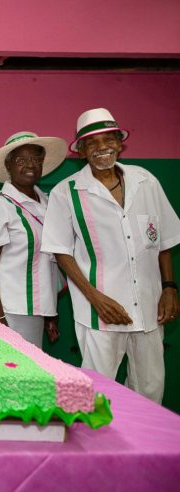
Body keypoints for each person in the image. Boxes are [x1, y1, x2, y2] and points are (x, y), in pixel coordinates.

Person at [41, 108, 180, 403]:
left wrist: (169, 288)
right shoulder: (66, 192)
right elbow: (61, 252)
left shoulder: (146, 181)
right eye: (91, 143)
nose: (101, 147)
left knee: (150, 388)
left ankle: (144, 447)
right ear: (80, 151)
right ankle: (99, 447)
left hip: (149, 306)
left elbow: (164, 240)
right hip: (100, 311)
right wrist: (95, 298)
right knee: (97, 391)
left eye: (108, 139)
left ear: (120, 143)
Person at [0, 131, 67, 347]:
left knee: (27, 378)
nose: (30, 165)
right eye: (22, 160)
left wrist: (49, 312)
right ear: (8, 166)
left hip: (36, 310)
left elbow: (49, 261)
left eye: (36, 159)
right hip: (7, 310)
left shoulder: (47, 203)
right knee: (4, 376)